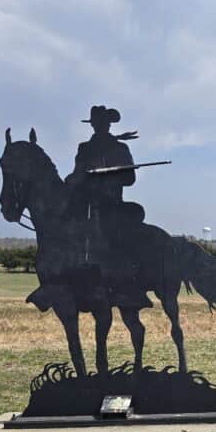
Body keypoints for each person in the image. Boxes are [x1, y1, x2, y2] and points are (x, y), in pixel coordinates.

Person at [65, 105, 150, 308]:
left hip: (112, 205)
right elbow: (77, 174)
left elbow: (130, 178)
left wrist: (106, 176)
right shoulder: (84, 148)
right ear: (92, 124)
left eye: (103, 123)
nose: (99, 126)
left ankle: (129, 286)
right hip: (87, 204)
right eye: (96, 123)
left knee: (120, 240)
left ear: (108, 124)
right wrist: (71, 181)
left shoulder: (120, 148)